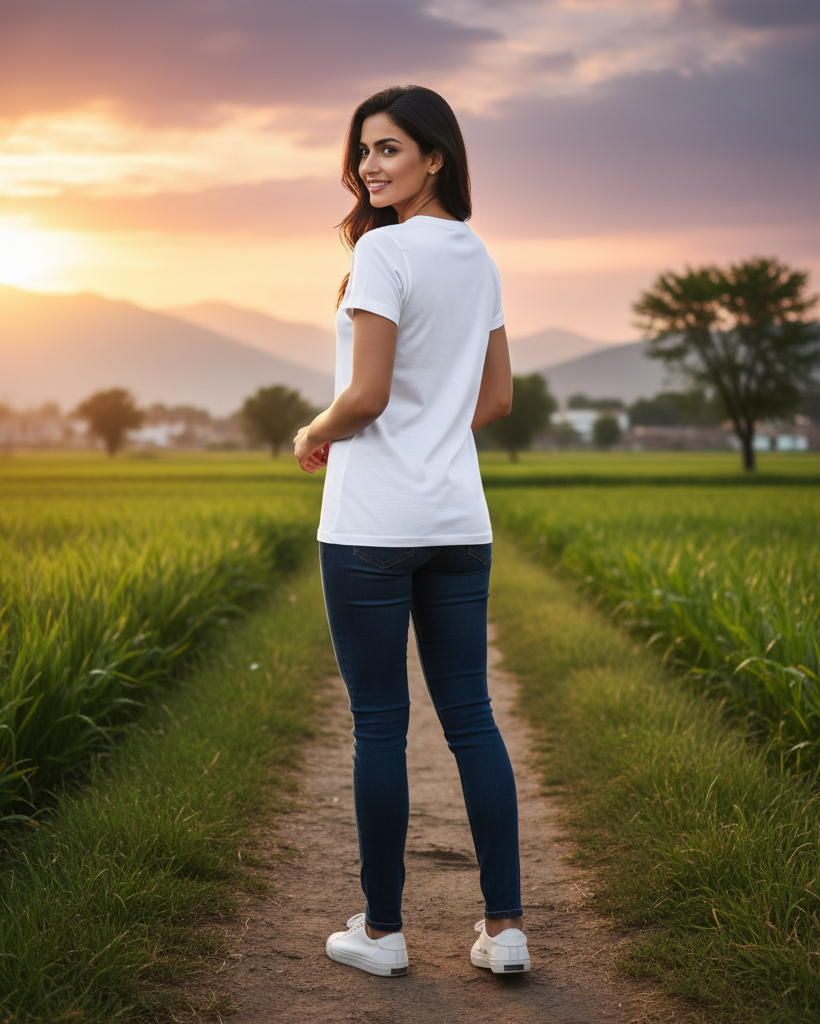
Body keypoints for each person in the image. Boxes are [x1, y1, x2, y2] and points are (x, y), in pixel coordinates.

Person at [293, 85, 529, 979]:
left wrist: (315, 431)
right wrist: (435, 438)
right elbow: (496, 399)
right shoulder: (478, 255)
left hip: (372, 525)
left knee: (380, 724)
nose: (369, 166)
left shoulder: (386, 252)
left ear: (437, 157)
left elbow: (366, 397)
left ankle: (384, 935)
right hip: (458, 520)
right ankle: (504, 931)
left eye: (389, 149)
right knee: (471, 717)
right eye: (363, 151)